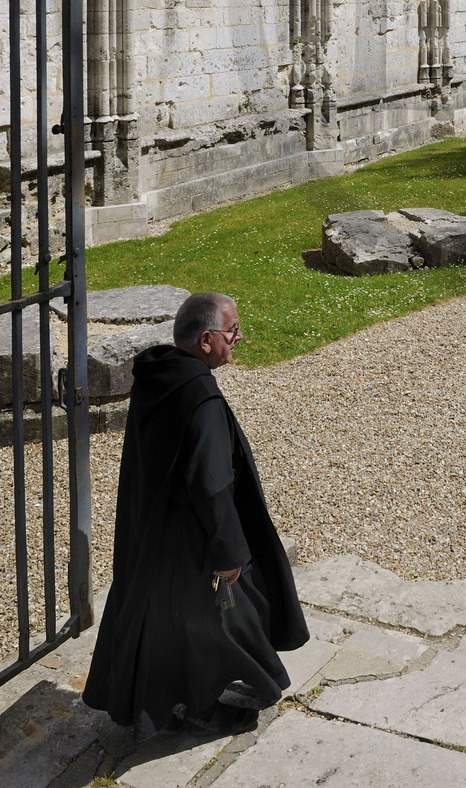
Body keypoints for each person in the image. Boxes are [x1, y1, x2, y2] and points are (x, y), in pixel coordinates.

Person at [83, 292, 309, 739]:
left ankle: (181, 696)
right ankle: (198, 709)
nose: (239, 338)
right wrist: (228, 552)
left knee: (180, 619)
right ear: (206, 340)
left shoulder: (159, 373)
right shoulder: (200, 396)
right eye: (232, 331)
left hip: (155, 527)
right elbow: (212, 485)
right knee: (211, 623)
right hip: (192, 538)